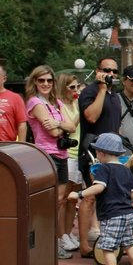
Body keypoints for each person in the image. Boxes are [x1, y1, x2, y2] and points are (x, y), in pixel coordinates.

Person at [67, 133, 133, 265]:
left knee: (108, 248)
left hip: (111, 214)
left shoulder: (103, 169)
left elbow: (99, 187)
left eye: (97, 152)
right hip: (127, 213)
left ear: (102, 153)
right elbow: (132, 193)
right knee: (130, 244)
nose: (97, 155)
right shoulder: (126, 171)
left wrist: (79, 194)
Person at [25, 65, 78, 259]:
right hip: (47, 155)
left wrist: (58, 123)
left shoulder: (56, 102)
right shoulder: (34, 102)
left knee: (59, 201)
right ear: (34, 82)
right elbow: (53, 132)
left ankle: (52, 240)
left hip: (62, 155)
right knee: (48, 202)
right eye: (41, 80)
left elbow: (72, 125)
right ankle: (45, 240)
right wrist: (61, 126)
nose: (46, 84)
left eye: (49, 80)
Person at [77, 57, 123, 258]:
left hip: (111, 154)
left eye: (114, 71)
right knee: (89, 197)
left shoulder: (115, 95)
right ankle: (83, 243)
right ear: (98, 71)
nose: (111, 74)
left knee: (108, 196)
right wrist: (102, 89)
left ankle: (107, 238)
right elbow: (91, 117)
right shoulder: (90, 92)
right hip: (92, 152)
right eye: (106, 70)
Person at [56, 73, 83, 253]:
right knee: (63, 198)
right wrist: (81, 111)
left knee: (74, 198)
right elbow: (70, 126)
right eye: (71, 87)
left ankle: (68, 232)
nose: (75, 91)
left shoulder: (75, 103)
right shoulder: (59, 105)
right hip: (67, 153)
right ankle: (60, 236)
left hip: (79, 152)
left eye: (76, 87)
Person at [0, 64, 27, 142]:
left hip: (7, 145)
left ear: (4, 79)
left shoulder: (15, 98)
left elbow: (22, 124)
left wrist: (21, 147)